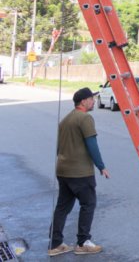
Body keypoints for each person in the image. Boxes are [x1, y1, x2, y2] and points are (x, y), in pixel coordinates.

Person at [48, 87, 109, 257]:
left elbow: (59, 147)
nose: (93, 101)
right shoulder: (85, 118)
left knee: (62, 207)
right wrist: (101, 166)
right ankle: (83, 243)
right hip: (80, 172)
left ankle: (55, 244)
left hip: (63, 170)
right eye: (91, 99)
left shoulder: (65, 120)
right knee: (88, 204)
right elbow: (92, 144)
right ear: (83, 101)